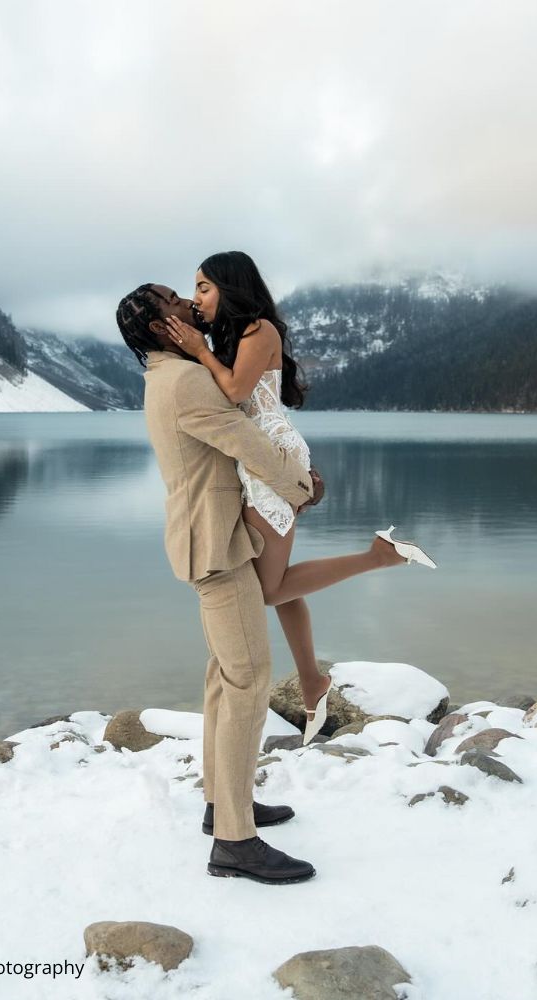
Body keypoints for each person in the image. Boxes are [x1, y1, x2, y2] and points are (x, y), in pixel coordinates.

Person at [163, 251, 437, 744]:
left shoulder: (258, 329)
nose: (197, 296)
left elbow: (232, 391)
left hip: (272, 459)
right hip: (257, 458)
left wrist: (199, 350)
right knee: (276, 582)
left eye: (204, 286)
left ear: (231, 286)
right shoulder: (234, 335)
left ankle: (379, 556)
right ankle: (312, 681)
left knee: (268, 589)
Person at [116, 282, 320, 885]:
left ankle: (220, 805)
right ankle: (234, 841)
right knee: (249, 680)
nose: (189, 303)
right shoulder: (183, 382)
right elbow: (245, 441)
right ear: (161, 327)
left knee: (223, 676)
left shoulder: (169, 375)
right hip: (216, 546)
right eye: (175, 301)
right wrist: (299, 482)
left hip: (210, 537)